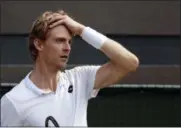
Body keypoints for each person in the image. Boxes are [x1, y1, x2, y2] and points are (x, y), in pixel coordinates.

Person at [1, 10, 139, 127]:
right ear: (39, 44)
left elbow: (130, 62)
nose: (67, 48)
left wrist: (82, 30)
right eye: (60, 41)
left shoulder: (79, 78)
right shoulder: (13, 102)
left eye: (69, 41)